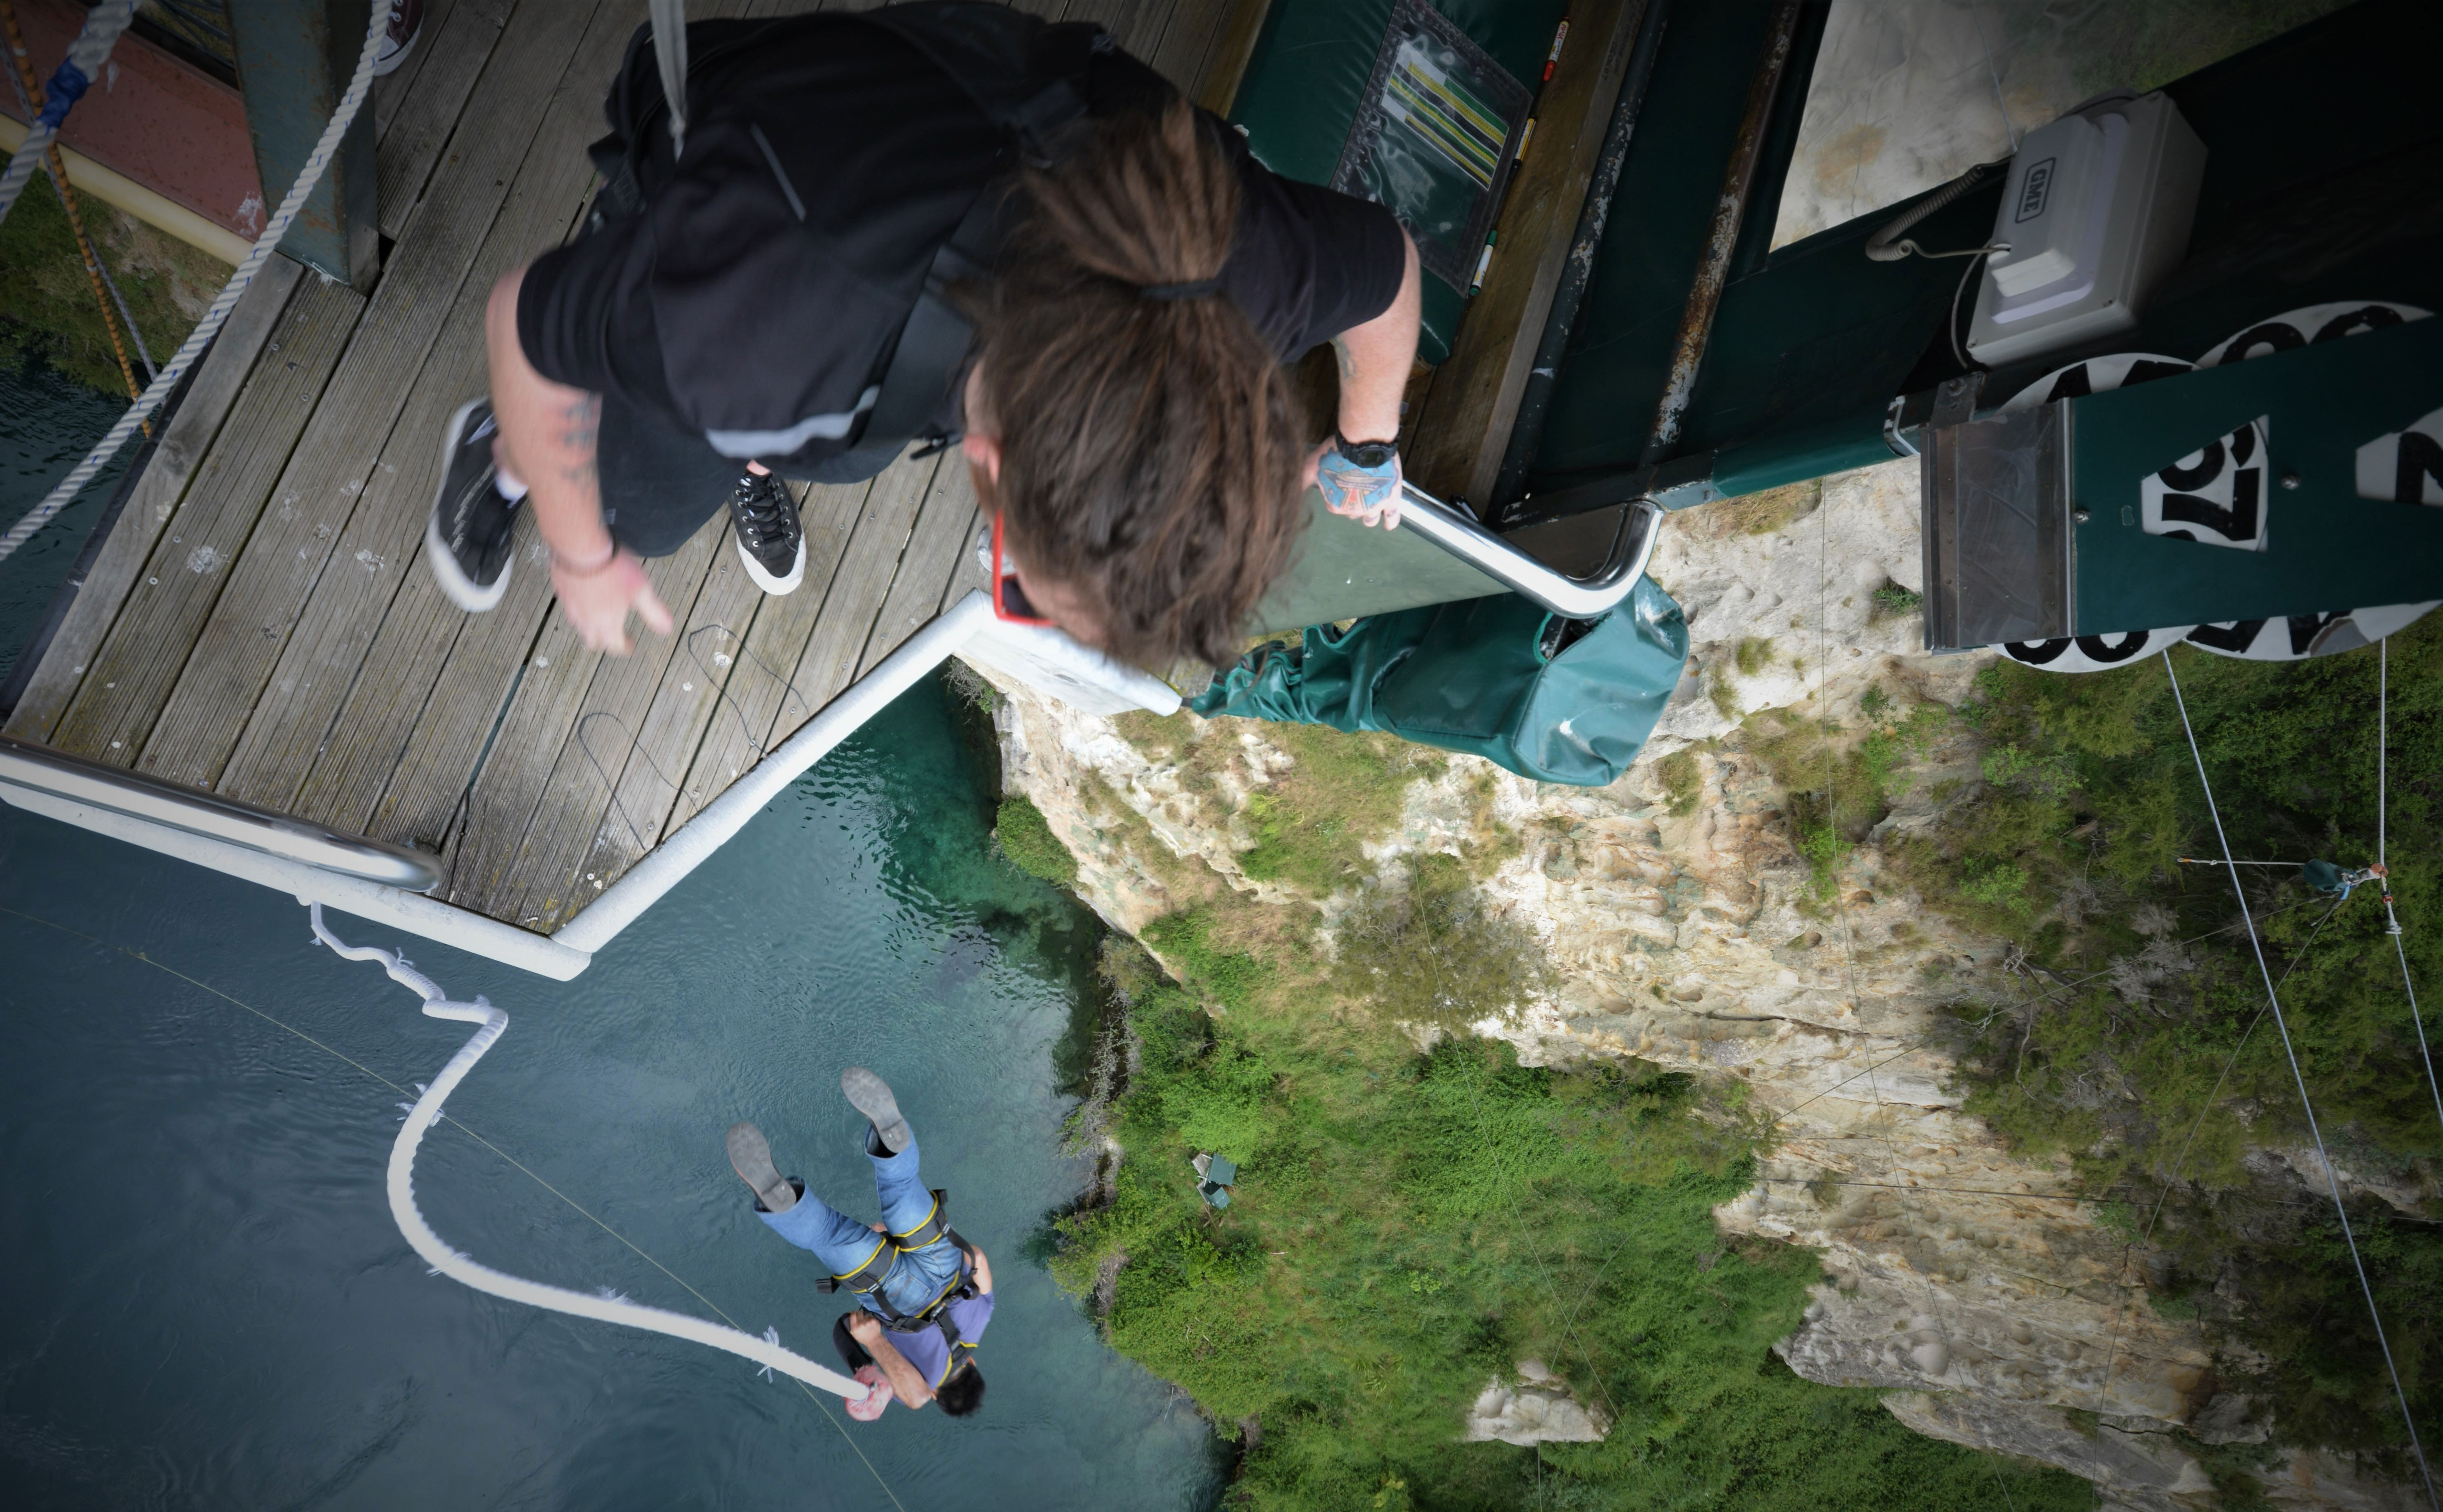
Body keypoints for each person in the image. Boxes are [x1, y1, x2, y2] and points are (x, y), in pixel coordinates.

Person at [424, 1, 1420, 666]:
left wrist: (1369, 442)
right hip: (743, 204)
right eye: (1024, 576)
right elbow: (527, 326)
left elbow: (1388, 268)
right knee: (627, 508)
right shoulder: (752, 338)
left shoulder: (1244, 277)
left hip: (886, 146)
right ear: (986, 459)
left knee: (807, 436)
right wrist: (582, 558)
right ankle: (501, 456)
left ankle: (752, 465)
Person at [729, 1067, 993, 1419]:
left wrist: (906, 1244)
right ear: (935, 1395)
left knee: (901, 1187)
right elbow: (911, 1395)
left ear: (973, 1362)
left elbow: (977, 1258)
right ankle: (784, 1202)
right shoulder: (918, 1388)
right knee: (825, 1233)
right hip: (893, 1295)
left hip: (941, 1262)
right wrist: (873, 1343)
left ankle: (891, 1142)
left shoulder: (983, 1316)